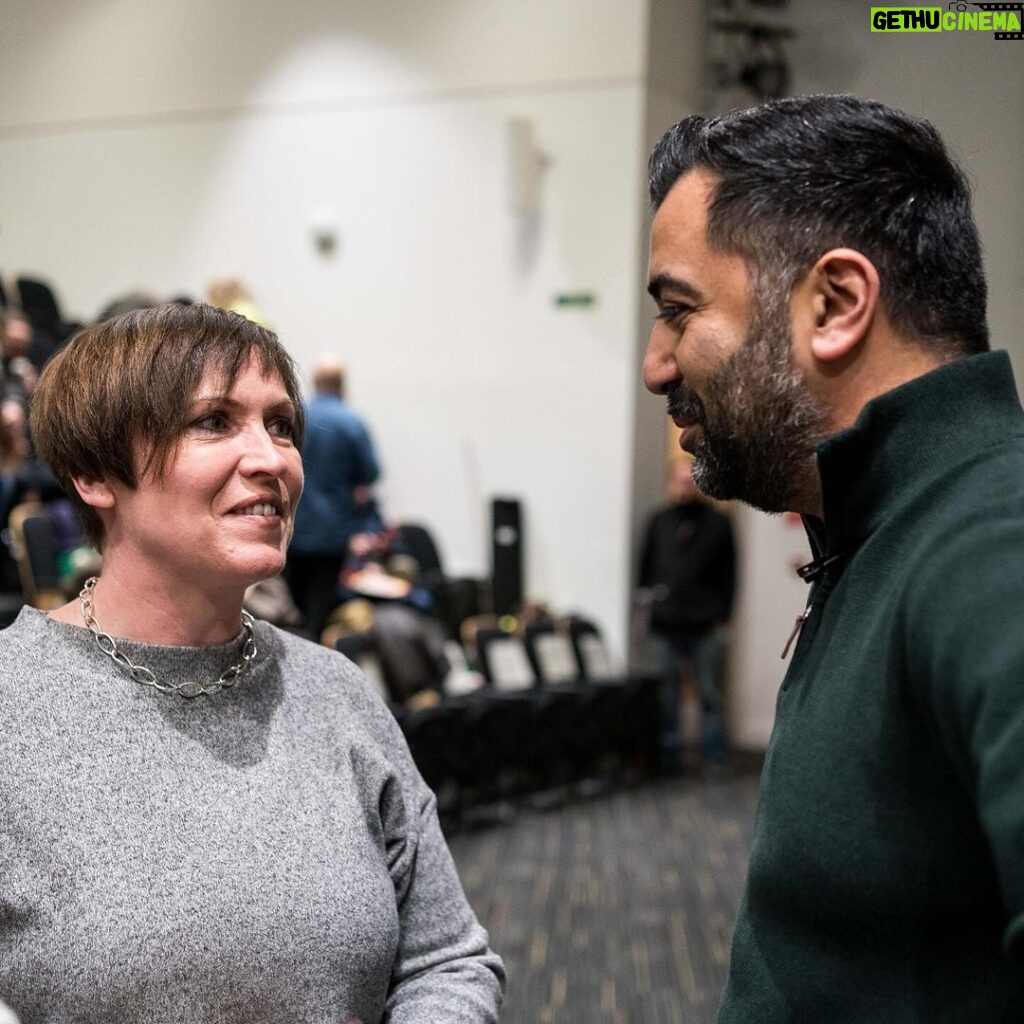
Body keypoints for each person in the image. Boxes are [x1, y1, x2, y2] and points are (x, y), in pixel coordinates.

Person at [0, 304, 504, 1021]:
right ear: (93, 474)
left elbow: (446, 960)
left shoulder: (336, 692)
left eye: (280, 425)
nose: (271, 459)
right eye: (213, 421)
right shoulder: (12, 704)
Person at [643, 95, 1024, 1021]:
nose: (657, 363)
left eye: (678, 311)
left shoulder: (989, 542)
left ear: (837, 304)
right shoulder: (885, 528)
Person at [638, 459, 735, 771]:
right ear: (672, 483)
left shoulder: (718, 524)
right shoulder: (659, 521)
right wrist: (647, 602)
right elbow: (644, 567)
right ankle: (668, 757)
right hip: (665, 622)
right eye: (680, 480)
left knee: (710, 694)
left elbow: (730, 575)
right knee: (667, 696)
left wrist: (724, 614)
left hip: (705, 623)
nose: (685, 486)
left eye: (690, 480)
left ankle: (715, 756)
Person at [286, 356, 381, 639]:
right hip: (332, 532)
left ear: (315, 382)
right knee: (320, 610)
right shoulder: (351, 422)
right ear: (342, 384)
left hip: (294, 526)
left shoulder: (295, 415)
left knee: (292, 604)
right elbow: (371, 474)